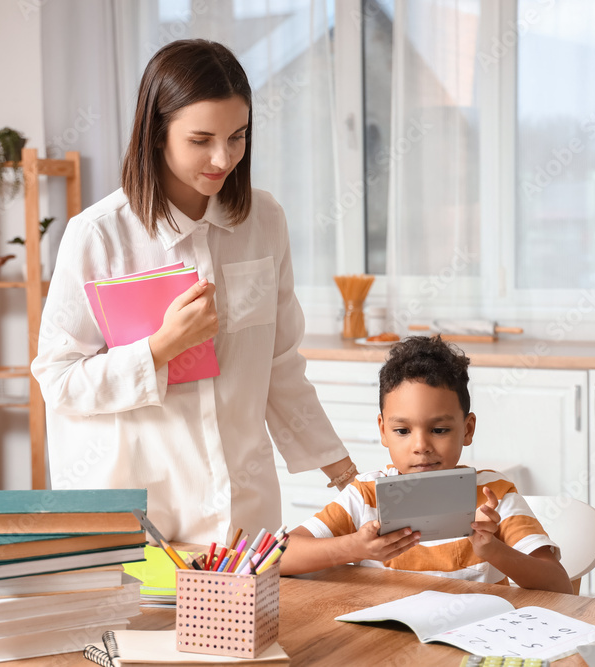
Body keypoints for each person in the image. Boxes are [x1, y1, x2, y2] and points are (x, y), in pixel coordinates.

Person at [31, 39, 356, 544]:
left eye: (237, 137)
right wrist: (160, 348)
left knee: (258, 624)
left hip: (243, 500)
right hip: (140, 505)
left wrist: (340, 469)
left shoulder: (264, 221)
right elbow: (59, 380)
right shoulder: (98, 234)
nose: (222, 158)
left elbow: (279, 362)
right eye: (201, 139)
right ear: (157, 133)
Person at [280, 336, 573, 594]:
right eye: (403, 431)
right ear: (383, 431)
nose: (421, 446)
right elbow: (277, 557)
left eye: (439, 430)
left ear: (467, 429)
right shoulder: (363, 496)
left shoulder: (493, 497)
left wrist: (494, 550)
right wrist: (355, 547)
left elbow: (559, 586)